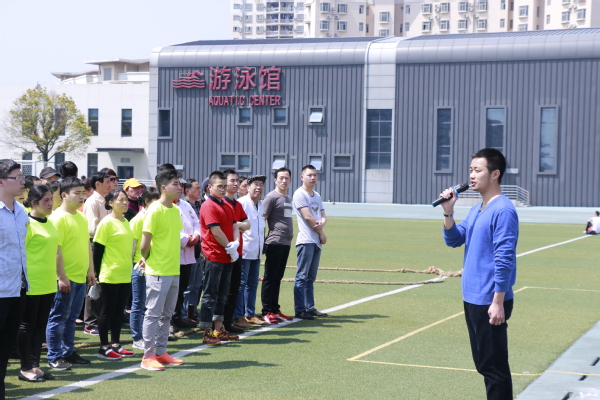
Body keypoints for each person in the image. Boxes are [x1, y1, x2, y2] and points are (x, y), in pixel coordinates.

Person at [439, 148, 519, 400]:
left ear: (495, 174)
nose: (471, 175)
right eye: (470, 170)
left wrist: (498, 302)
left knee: (494, 368)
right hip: (473, 297)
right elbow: (454, 239)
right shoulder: (477, 209)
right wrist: (448, 212)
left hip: (490, 300)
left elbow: (504, 259)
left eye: (477, 170)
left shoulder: (503, 210)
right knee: (485, 365)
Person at [47, 177, 96, 370]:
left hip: (80, 277)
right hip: (65, 278)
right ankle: (54, 356)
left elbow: (87, 245)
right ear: (64, 195)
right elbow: (55, 250)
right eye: (77, 193)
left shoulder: (81, 217)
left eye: (83, 192)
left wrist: (90, 270)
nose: (82, 196)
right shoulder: (57, 218)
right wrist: (61, 277)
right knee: (58, 318)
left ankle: (68, 352)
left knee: (71, 319)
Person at [139, 169, 185, 371]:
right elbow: (144, 244)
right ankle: (147, 355)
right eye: (175, 183)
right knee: (153, 314)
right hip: (157, 270)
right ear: (164, 187)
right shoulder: (154, 210)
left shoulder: (174, 210)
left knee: (167, 315)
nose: (180, 187)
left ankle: (161, 352)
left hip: (173, 269)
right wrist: (148, 259)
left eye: (180, 183)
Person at [18, 184, 61, 383]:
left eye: (51, 199)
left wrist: (60, 276)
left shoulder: (50, 223)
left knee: (40, 326)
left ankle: (35, 366)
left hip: (48, 282)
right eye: (46, 200)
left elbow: (56, 253)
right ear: (34, 203)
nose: (50, 203)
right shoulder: (26, 224)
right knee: (27, 326)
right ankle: (25, 368)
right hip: (31, 283)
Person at [198, 171, 241, 345]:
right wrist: (230, 246)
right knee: (210, 295)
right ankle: (207, 332)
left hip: (226, 256)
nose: (223, 189)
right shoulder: (208, 206)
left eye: (225, 186)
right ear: (210, 187)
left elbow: (235, 226)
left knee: (222, 295)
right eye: (219, 186)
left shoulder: (227, 205)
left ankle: (218, 329)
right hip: (213, 256)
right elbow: (216, 231)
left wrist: (235, 243)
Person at [93, 189, 135, 360]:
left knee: (119, 311)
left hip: (125, 272)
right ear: (110, 203)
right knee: (107, 310)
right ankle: (104, 347)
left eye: (126, 199)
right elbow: (97, 250)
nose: (125, 203)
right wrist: (96, 274)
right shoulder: (106, 223)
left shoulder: (126, 221)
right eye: (120, 199)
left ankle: (116, 344)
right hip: (110, 273)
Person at [0, 160, 29, 398]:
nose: (23, 181)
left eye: (22, 177)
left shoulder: (20, 211)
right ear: (1, 182)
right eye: (17, 177)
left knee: (5, 348)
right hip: (0, 289)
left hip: (18, 288)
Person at [293, 165, 328, 320]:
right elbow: (308, 217)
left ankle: (309, 307)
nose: (312, 177)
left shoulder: (317, 195)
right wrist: (321, 232)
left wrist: (323, 223)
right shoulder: (299, 194)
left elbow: (323, 215)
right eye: (309, 175)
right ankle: (300, 309)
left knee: (310, 277)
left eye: (314, 175)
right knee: (302, 276)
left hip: (316, 241)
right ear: (302, 177)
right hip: (306, 240)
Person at [261, 167, 294, 324]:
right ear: (275, 180)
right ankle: (267, 311)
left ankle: (275, 309)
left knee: (278, 278)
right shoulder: (271, 197)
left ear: (290, 180)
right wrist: (262, 242)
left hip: (285, 242)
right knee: (270, 277)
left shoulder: (288, 198)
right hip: (274, 242)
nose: (284, 180)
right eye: (281, 178)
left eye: (286, 178)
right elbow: (262, 219)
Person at [235, 175, 269, 327]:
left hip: (257, 250)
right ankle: (239, 315)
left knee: (253, 283)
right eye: (255, 184)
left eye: (261, 184)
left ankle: (250, 313)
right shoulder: (241, 203)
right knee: (241, 283)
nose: (258, 187)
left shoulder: (261, 204)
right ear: (248, 187)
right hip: (244, 249)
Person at [129, 187, 160, 350]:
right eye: (155, 201)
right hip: (139, 267)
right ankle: (137, 337)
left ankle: (148, 335)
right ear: (146, 202)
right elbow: (132, 245)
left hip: (154, 265)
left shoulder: (155, 217)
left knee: (151, 304)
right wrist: (133, 265)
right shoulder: (138, 219)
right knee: (139, 303)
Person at [82, 171, 112, 335]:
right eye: (107, 181)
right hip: (95, 243)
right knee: (94, 281)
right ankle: (90, 323)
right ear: (97, 184)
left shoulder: (106, 200)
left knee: (103, 281)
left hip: (106, 243)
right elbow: (91, 229)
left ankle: (99, 320)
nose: (110, 184)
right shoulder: (92, 201)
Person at [222, 170, 251, 333]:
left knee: (234, 288)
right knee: (222, 290)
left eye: (237, 180)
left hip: (238, 252)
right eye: (232, 180)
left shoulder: (237, 204)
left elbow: (247, 224)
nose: (235, 183)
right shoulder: (221, 203)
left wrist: (235, 224)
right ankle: (217, 324)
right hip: (224, 252)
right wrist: (237, 225)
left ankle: (229, 322)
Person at [181, 179, 203, 322]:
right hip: (187, 249)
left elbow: (198, 224)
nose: (199, 190)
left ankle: (192, 312)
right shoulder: (182, 206)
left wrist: (197, 235)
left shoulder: (198, 205)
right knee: (187, 286)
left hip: (197, 250)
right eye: (196, 188)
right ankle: (184, 314)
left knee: (196, 284)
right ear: (187, 191)